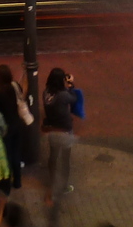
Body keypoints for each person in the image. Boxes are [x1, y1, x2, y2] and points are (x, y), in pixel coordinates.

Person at [40, 68, 77, 212]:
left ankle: (52, 180)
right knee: (65, 159)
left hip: (52, 129)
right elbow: (73, 98)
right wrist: (71, 85)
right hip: (65, 130)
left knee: (53, 156)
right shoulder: (63, 95)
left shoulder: (46, 93)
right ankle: (63, 186)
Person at [0, 64, 28, 189]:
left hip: (5, 127)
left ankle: (6, 180)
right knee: (16, 153)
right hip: (17, 124)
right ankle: (17, 181)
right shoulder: (15, 86)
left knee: (6, 154)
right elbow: (23, 91)